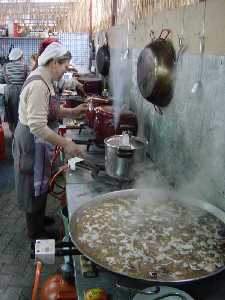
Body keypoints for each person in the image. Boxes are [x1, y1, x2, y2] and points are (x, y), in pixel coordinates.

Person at [12, 42, 88, 240]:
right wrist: (66, 143)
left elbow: (49, 111)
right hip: (30, 139)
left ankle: (39, 218)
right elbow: (37, 126)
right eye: (64, 67)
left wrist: (72, 111)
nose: (65, 71)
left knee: (40, 183)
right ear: (54, 63)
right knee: (31, 183)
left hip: (37, 140)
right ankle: (35, 232)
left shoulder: (46, 79)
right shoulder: (39, 84)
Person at [0, 48, 28, 133]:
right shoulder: (25, 67)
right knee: (21, 113)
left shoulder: (5, 67)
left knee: (10, 113)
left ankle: (13, 133)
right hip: (22, 91)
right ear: (20, 56)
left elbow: (1, 79)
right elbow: (29, 79)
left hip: (9, 92)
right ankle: (20, 134)